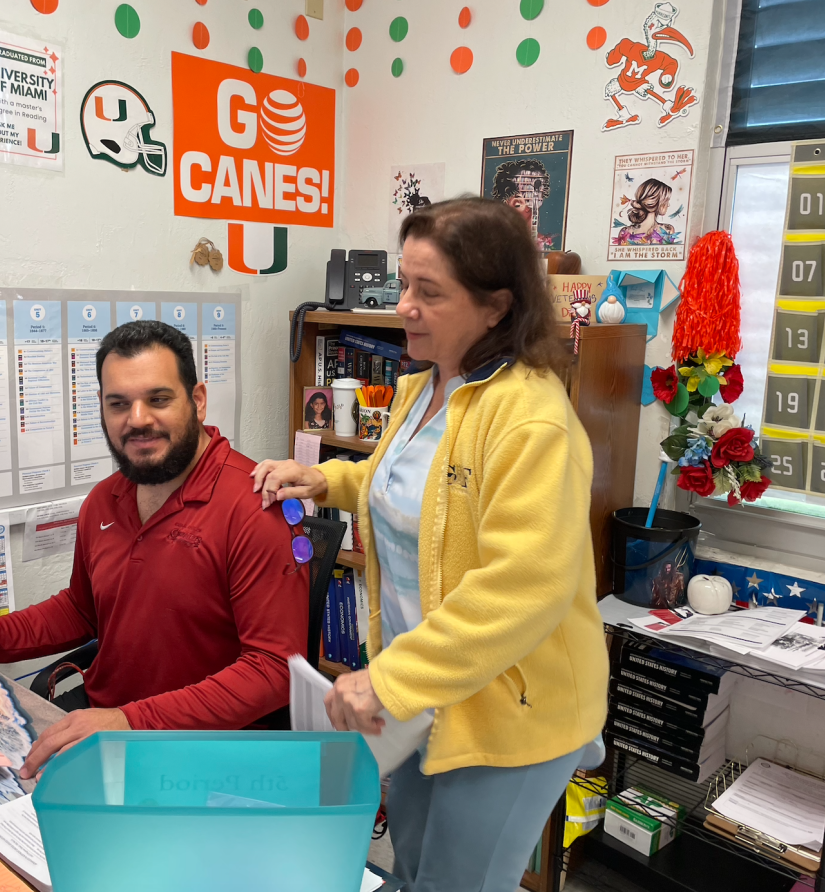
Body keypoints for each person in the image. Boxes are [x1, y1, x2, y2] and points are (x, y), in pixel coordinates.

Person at [252, 197, 609, 892]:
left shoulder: (533, 419)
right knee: (412, 869)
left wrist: (388, 680)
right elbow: (421, 492)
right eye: (405, 285)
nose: (405, 307)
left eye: (430, 292)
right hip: (422, 694)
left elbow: (521, 589)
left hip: (507, 711)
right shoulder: (427, 387)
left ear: (496, 307)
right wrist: (326, 479)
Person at [0, 321, 308, 778]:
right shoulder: (107, 498)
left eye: (159, 399)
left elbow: (273, 670)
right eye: (119, 403)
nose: (138, 418)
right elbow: (80, 611)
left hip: (201, 754)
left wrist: (131, 722)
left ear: (198, 400)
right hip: (102, 725)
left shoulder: (256, 508)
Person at [614, 178, 677, 246]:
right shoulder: (667, 230)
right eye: (666, 201)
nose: (668, 205)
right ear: (653, 202)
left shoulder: (625, 231)